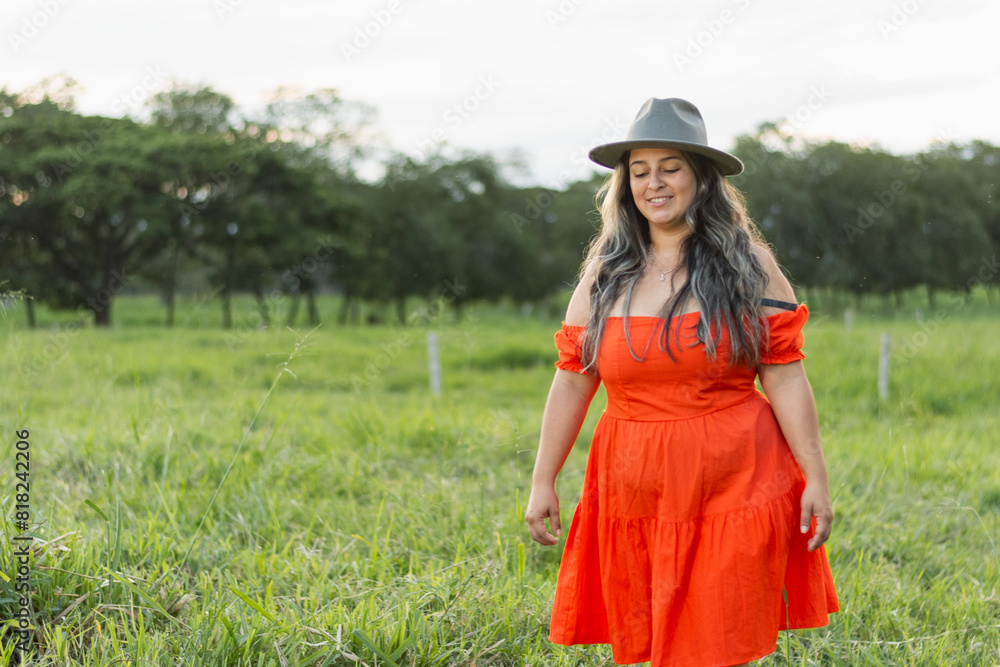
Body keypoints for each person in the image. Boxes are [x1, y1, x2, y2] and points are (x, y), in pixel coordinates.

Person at [525, 98, 839, 667]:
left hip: (734, 478)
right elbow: (574, 379)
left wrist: (815, 477)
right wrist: (542, 480)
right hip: (633, 485)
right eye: (640, 171)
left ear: (701, 176)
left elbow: (786, 376)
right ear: (626, 185)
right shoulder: (605, 272)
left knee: (717, 636)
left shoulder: (750, 264)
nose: (654, 183)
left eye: (670, 166)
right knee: (651, 636)